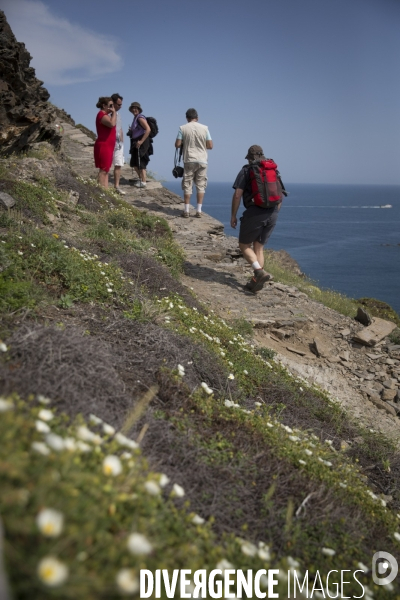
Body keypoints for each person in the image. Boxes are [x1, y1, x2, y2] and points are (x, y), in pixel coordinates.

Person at [231, 145, 283, 293]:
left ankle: (259, 272)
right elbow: (280, 194)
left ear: (249, 158)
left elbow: (237, 195)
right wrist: (274, 212)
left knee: (244, 245)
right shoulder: (273, 170)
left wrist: (233, 215)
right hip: (272, 212)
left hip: (255, 212)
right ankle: (256, 281)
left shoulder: (247, 170)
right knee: (259, 247)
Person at [175, 108, 213, 218]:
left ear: (187, 118)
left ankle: (186, 210)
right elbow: (210, 146)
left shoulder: (182, 128)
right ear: (197, 118)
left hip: (189, 159)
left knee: (187, 184)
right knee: (201, 185)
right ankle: (199, 211)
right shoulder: (205, 128)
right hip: (202, 159)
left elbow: (177, 144)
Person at [94, 96, 117, 188]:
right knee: (103, 170)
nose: (112, 108)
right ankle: (101, 190)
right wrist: (114, 113)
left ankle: (105, 190)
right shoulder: (101, 115)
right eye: (110, 105)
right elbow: (112, 124)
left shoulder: (106, 115)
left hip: (108, 145)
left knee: (106, 169)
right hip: (104, 145)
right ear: (104, 106)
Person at [128, 102, 152, 188]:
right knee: (134, 163)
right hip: (136, 141)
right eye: (133, 108)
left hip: (142, 142)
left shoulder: (140, 118)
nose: (134, 109)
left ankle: (144, 182)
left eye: (136, 108)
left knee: (141, 161)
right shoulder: (136, 118)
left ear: (139, 109)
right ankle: (141, 179)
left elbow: (148, 129)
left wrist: (141, 141)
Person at [111, 93, 125, 195]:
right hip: (110, 142)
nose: (120, 107)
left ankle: (116, 186)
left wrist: (122, 139)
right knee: (106, 165)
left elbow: (119, 128)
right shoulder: (107, 114)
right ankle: (102, 185)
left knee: (118, 164)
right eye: (119, 105)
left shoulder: (119, 115)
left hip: (119, 143)